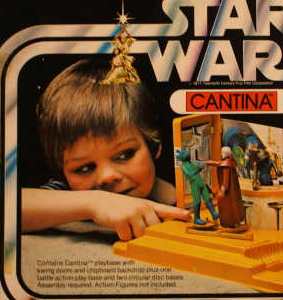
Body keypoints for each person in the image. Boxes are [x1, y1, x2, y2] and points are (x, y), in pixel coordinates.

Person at [21, 58, 190, 241]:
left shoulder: (188, 189)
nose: (107, 176)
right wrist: (94, 202)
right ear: (63, 172)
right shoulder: (67, 193)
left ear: (154, 146)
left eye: (124, 155)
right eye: (84, 168)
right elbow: (4, 207)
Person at [175, 149, 219, 226]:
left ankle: (213, 213)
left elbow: (196, 169)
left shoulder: (191, 164)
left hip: (201, 182)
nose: (187, 154)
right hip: (194, 184)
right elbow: (189, 174)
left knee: (207, 198)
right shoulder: (184, 166)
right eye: (184, 153)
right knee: (197, 201)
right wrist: (198, 169)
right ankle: (196, 218)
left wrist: (200, 167)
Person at [205, 147, 246, 229]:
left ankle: (228, 223)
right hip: (231, 191)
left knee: (227, 207)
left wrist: (223, 190)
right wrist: (212, 163)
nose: (220, 154)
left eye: (221, 152)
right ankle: (234, 221)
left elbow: (226, 179)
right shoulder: (230, 161)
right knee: (233, 206)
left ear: (224, 154)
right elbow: (220, 163)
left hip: (227, 193)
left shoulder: (226, 165)